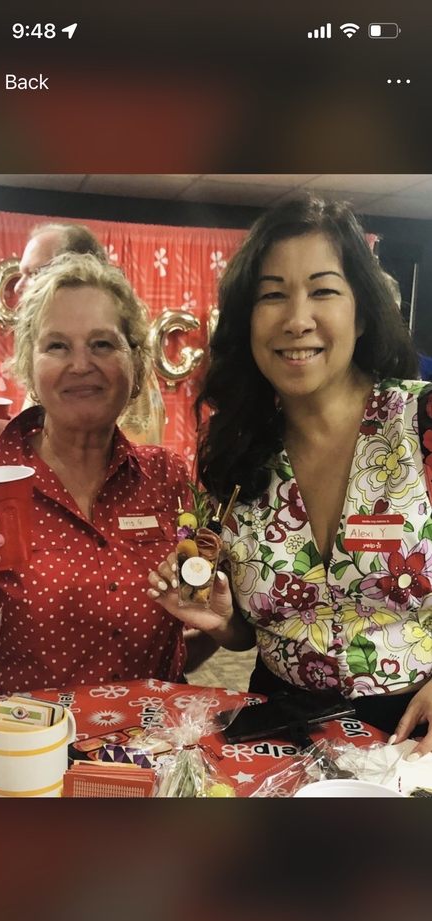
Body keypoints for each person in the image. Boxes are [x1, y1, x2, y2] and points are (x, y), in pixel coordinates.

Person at [148, 193, 432, 757]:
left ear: (361, 310)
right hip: (280, 733)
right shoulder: (235, 449)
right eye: (272, 295)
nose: (297, 320)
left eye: (323, 291)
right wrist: (222, 621)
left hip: (414, 731)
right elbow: (254, 629)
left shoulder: (421, 422)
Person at [0, 252, 188, 695]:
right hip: (26, 734)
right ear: (29, 365)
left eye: (102, 344)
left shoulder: (168, 478)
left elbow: (201, 622)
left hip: (153, 733)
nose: (81, 365)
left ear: (135, 362)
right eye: (57, 346)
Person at [0, 222, 166, 449]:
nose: (18, 287)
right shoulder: (42, 352)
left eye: (34, 274)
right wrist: (14, 435)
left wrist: (16, 443)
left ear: (77, 273)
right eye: (58, 346)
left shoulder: (121, 365)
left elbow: (115, 459)